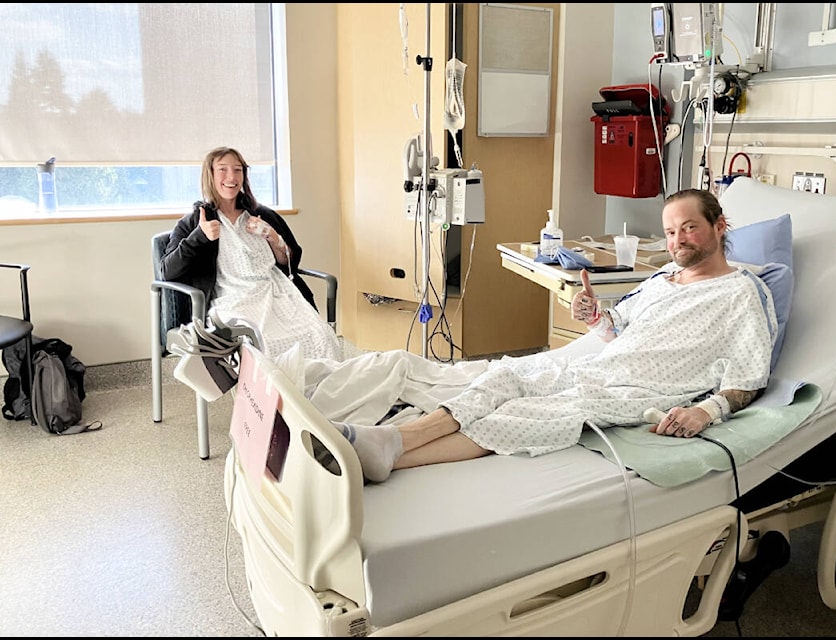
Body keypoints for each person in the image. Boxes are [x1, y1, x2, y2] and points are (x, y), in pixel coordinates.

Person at [337, 188, 777, 483]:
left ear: (720, 226)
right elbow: (615, 330)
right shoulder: (663, 278)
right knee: (506, 378)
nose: (678, 240)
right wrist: (593, 316)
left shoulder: (739, 293)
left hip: (640, 390)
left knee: (524, 414)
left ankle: (375, 463)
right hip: (601, 366)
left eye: (689, 228)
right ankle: (394, 442)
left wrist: (706, 411)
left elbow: (748, 377)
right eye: (669, 231)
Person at [160, 146, 341, 363]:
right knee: (260, 344)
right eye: (223, 170)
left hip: (277, 294)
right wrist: (199, 237)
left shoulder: (262, 214)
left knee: (320, 336)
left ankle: (312, 394)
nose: (231, 177)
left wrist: (273, 237)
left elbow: (290, 262)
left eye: (238, 170)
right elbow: (167, 271)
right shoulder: (195, 221)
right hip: (233, 300)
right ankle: (270, 396)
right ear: (210, 175)